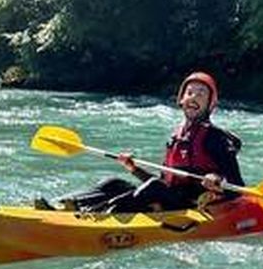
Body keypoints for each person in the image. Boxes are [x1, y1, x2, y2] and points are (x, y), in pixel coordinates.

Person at [38, 72, 244, 213]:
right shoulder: (176, 137)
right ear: (181, 100)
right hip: (170, 197)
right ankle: (63, 205)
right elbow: (164, 183)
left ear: (210, 104)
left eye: (201, 94)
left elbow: (237, 186)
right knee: (113, 183)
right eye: (190, 92)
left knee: (153, 187)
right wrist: (133, 168)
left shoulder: (216, 138)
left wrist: (217, 179)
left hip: (192, 205)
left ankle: (95, 215)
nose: (193, 97)